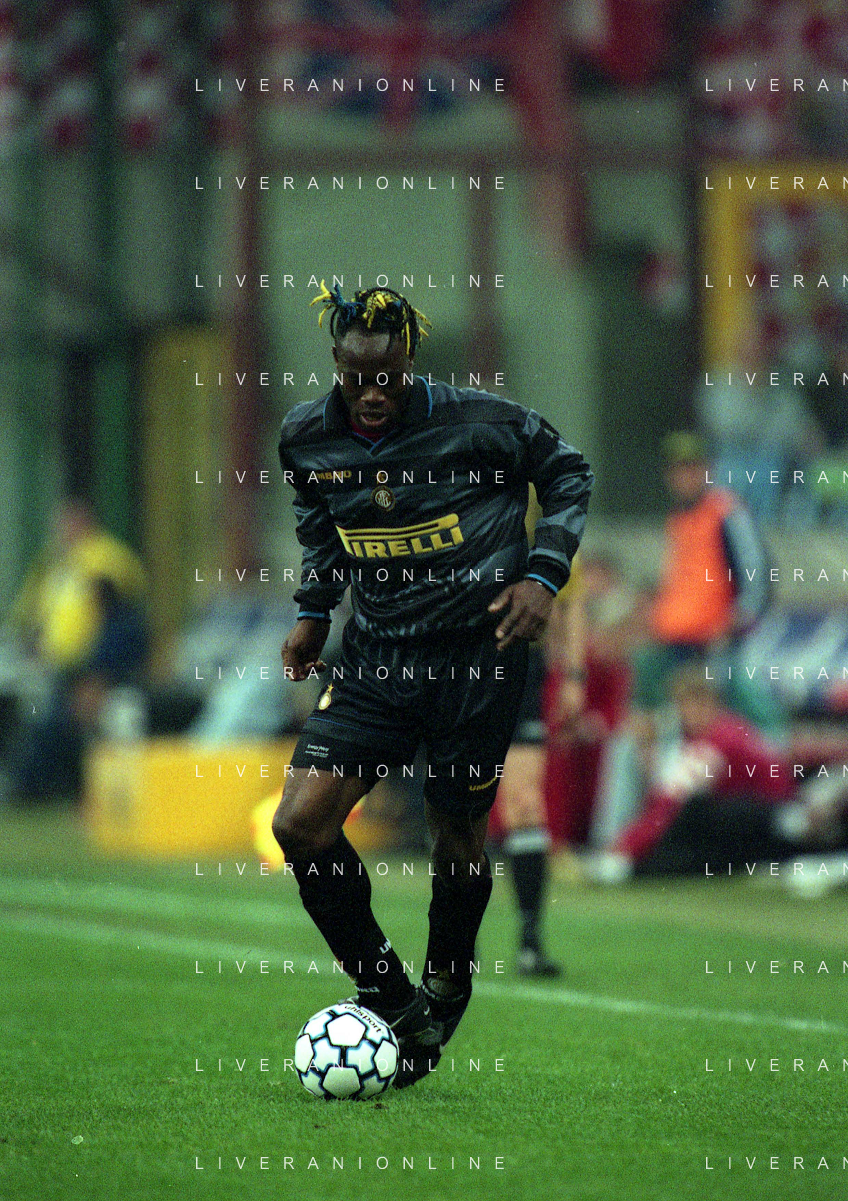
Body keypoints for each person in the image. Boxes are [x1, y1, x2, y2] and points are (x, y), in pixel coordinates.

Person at [273, 282, 593, 1088]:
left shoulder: (482, 422)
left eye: (387, 377)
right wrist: (313, 612)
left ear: (409, 360)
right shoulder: (307, 437)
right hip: (377, 659)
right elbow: (321, 526)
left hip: (477, 660)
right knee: (300, 824)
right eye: (356, 377)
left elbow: (567, 472)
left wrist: (543, 576)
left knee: (455, 837)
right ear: (336, 363)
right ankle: (389, 994)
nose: (372, 393)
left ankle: (448, 979)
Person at [3, 498, 148, 801]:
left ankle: (33, 787)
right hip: (53, 664)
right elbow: (31, 614)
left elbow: (122, 624)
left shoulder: (105, 560)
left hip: (90, 669)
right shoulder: (55, 563)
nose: (61, 530)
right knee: (30, 711)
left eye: (67, 522)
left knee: (53, 719)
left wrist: (98, 674)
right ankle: (25, 782)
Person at [490, 537, 586, 978]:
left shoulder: (547, 521)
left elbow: (570, 601)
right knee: (457, 802)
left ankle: (530, 941)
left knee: (526, 803)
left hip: (521, 666)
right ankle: (453, 940)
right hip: (456, 662)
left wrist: (574, 675)